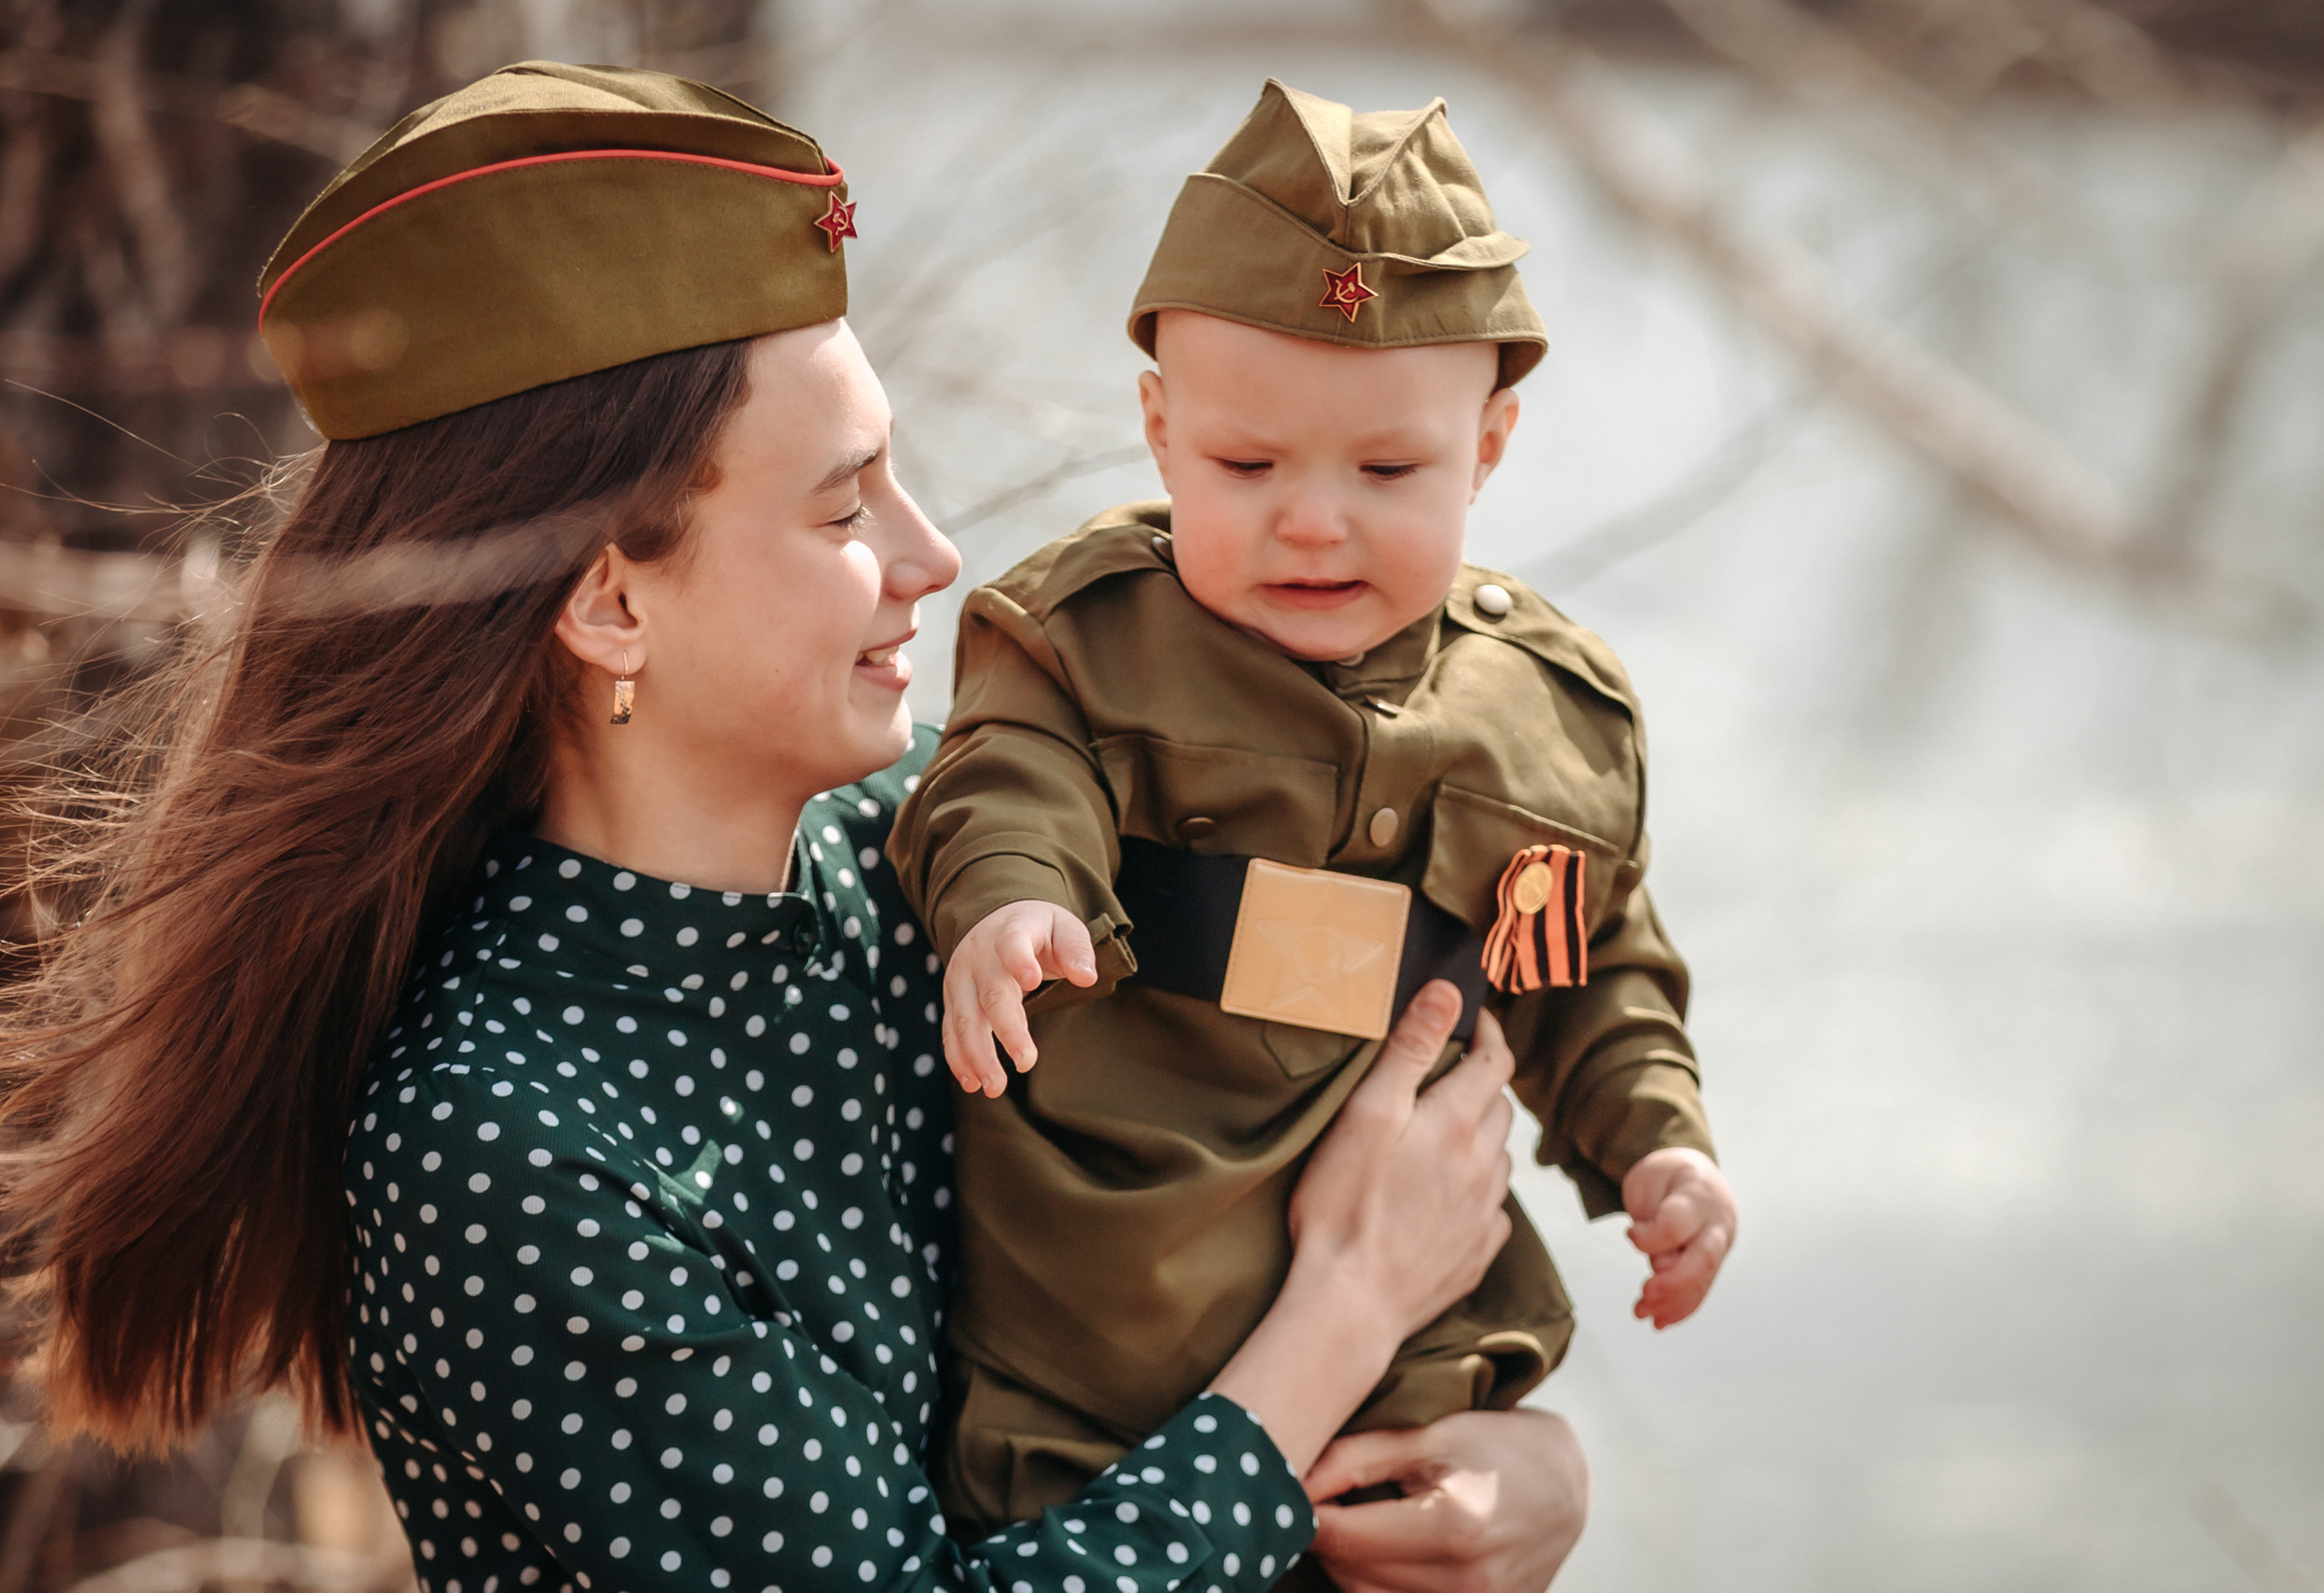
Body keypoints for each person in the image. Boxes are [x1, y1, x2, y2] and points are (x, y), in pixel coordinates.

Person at [0, 62, 1590, 1593]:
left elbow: (1418, 1007)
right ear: (611, 604)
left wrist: (1524, 1468)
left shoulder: (948, 859)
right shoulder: (504, 1148)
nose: (935, 555)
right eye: (845, 506)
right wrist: (1341, 1319)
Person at [888, 80, 1741, 1544]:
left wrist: (1659, 1141)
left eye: (1389, 470)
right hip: (1103, 1333)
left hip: (1415, 1375)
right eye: (1247, 465)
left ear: (1489, 447)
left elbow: (1590, 968)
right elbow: (1005, 779)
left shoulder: (1550, 718)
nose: (1314, 520)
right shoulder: (1088, 641)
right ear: (1160, 432)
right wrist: (1013, 901)